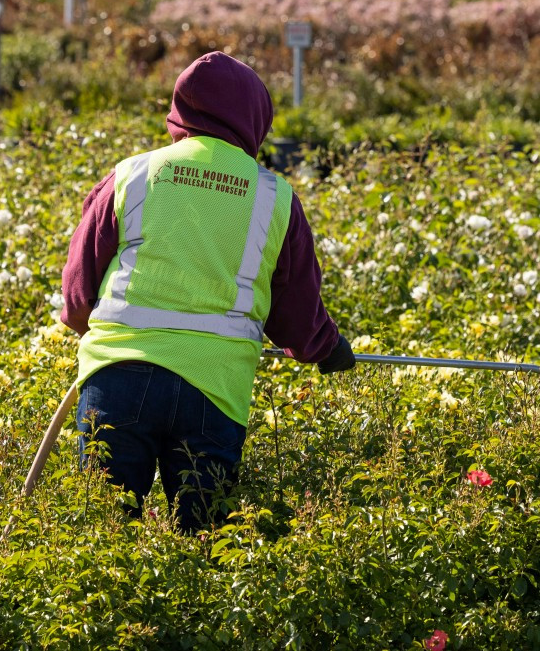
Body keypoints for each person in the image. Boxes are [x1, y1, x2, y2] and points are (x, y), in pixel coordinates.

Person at [58, 51, 355, 531]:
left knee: (103, 539)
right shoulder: (274, 198)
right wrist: (326, 348)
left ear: (180, 112)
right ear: (256, 119)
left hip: (117, 377)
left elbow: (79, 290)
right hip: (213, 392)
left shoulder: (132, 175)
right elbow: (296, 313)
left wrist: (87, 328)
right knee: (204, 545)